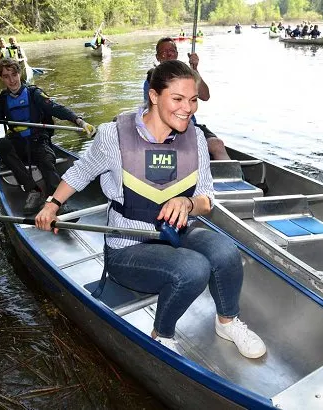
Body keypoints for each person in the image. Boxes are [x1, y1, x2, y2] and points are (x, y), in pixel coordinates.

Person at [35, 60, 266, 359]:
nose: (189, 108)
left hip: (175, 233)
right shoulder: (113, 135)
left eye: (193, 100)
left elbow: (207, 198)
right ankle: (162, 335)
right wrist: (52, 205)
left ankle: (227, 322)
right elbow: (82, 172)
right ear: (155, 96)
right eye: (178, 99)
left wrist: (188, 202)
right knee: (193, 268)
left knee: (225, 252)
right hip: (128, 246)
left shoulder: (195, 138)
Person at [0, 59, 96, 215]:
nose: (12, 80)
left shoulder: (34, 94)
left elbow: (55, 108)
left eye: (14, 74)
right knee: (1, 144)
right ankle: (34, 190)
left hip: (38, 140)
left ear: (20, 73)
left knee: (46, 161)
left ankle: (59, 203)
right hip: (17, 142)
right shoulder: (2, 99)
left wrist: (79, 121)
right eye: (6, 76)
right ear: (1, 79)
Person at [143, 37, 230, 160]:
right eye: (163, 52)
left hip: (191, 125)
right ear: (157, 57)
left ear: (177, 54)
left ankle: (230, 177)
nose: (168, 54)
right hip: (166, 128)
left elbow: (205, 96)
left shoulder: (188, 76)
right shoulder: (152, 80)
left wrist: (194, 69)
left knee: (217, 144)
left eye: (171, 51)